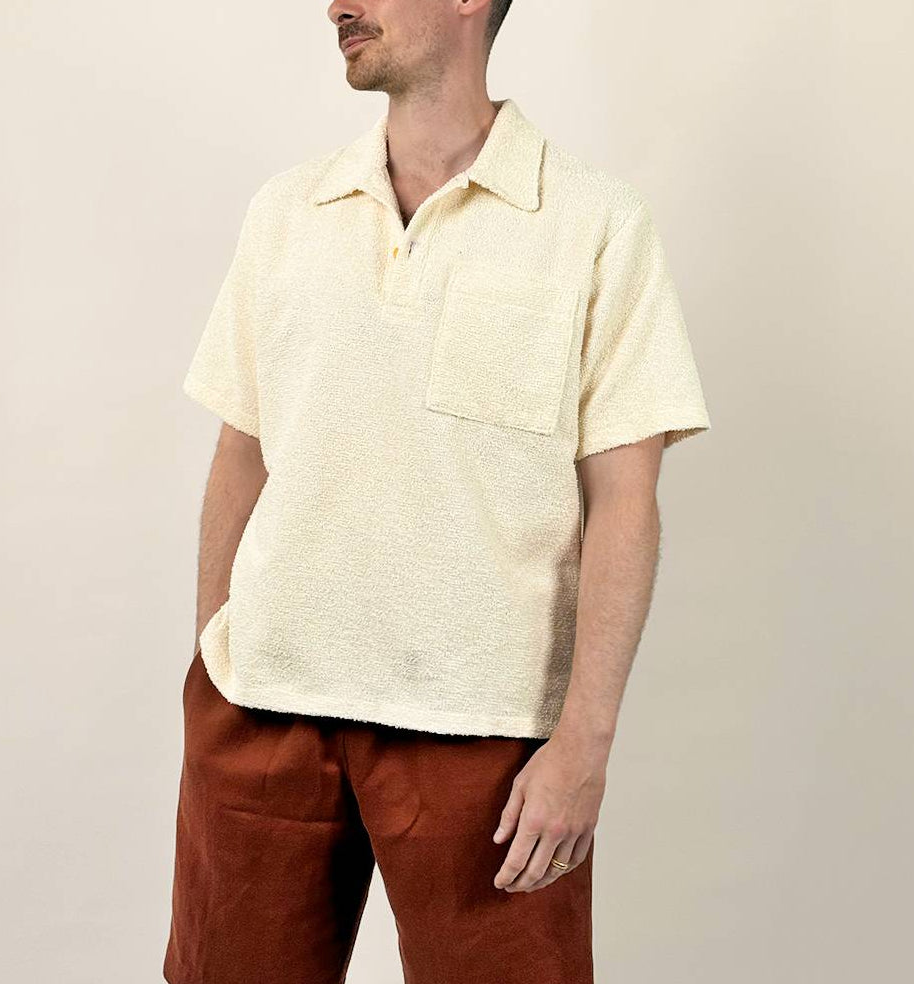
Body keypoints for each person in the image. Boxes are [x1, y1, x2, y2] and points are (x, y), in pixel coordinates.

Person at [163, 1, 711, 982]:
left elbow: (625, 500)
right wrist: (212, 664)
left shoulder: (592, 221)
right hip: (264, 709)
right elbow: (241, 452)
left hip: (489, 730)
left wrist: (584, 742)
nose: (337, 4)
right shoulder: (287, 212)